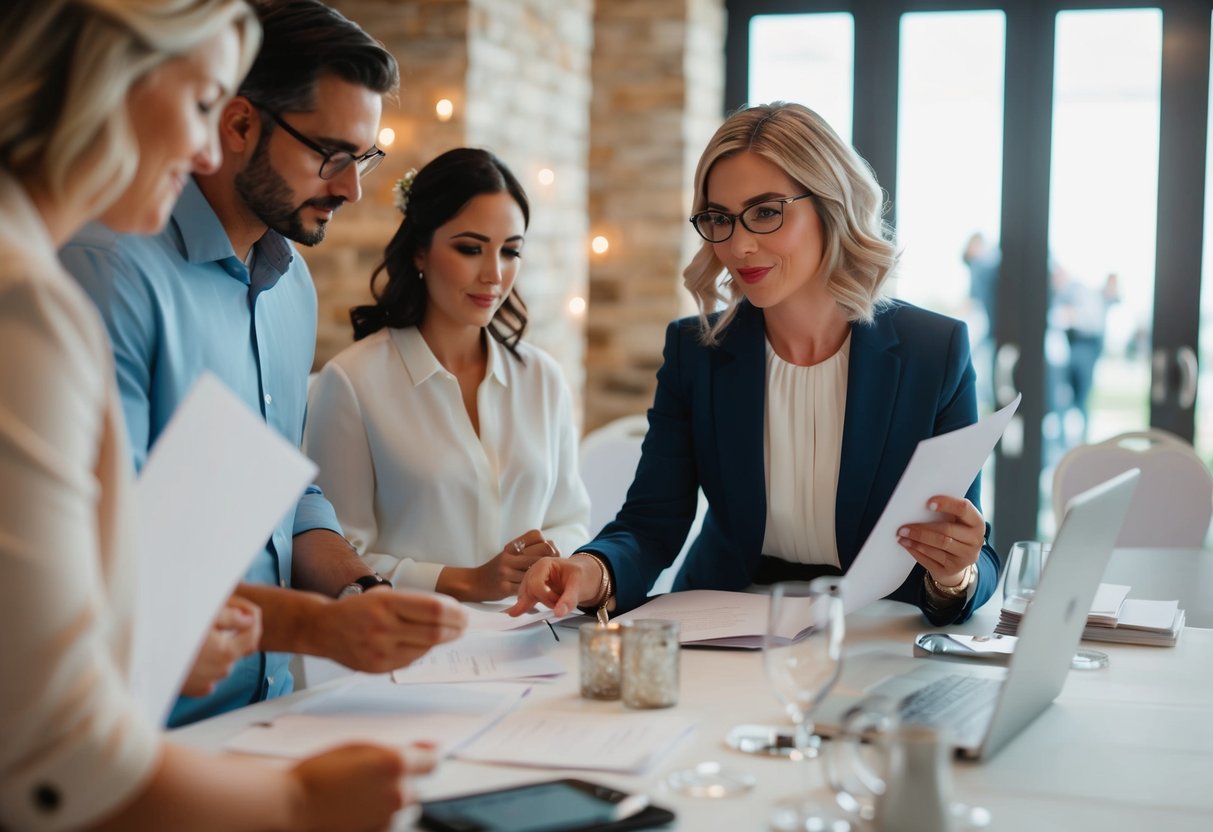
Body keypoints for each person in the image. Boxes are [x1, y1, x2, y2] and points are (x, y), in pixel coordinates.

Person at [0, 2, 433, 829]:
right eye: (201, 104)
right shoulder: (72, 282)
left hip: (261, 714)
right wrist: (302, 803)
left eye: (365, 159)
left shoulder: (292, 287)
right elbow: (89, 614)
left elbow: (279, 490)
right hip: (143, 760)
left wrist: (355, 599)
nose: (350, 188)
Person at [510, 102, 1001, 626]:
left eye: (766, 212)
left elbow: (965, 545)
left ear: (830, 207)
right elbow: (651, 522)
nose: (739, 246)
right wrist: (592, 569)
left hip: (876, 631)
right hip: (722, 622)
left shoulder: (934, 351)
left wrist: (955, 574)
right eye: (720, 219)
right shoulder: (695, 352)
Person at [304, 148, 590, 601]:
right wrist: (467, 580)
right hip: (409, 649)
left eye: (511, 251)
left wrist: (556, 560)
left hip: (535, 641)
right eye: (470, 249)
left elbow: (570, 518)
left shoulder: (543, 379)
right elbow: (334, 554)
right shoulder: (352, 382)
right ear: (420, 251)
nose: (494, 274)